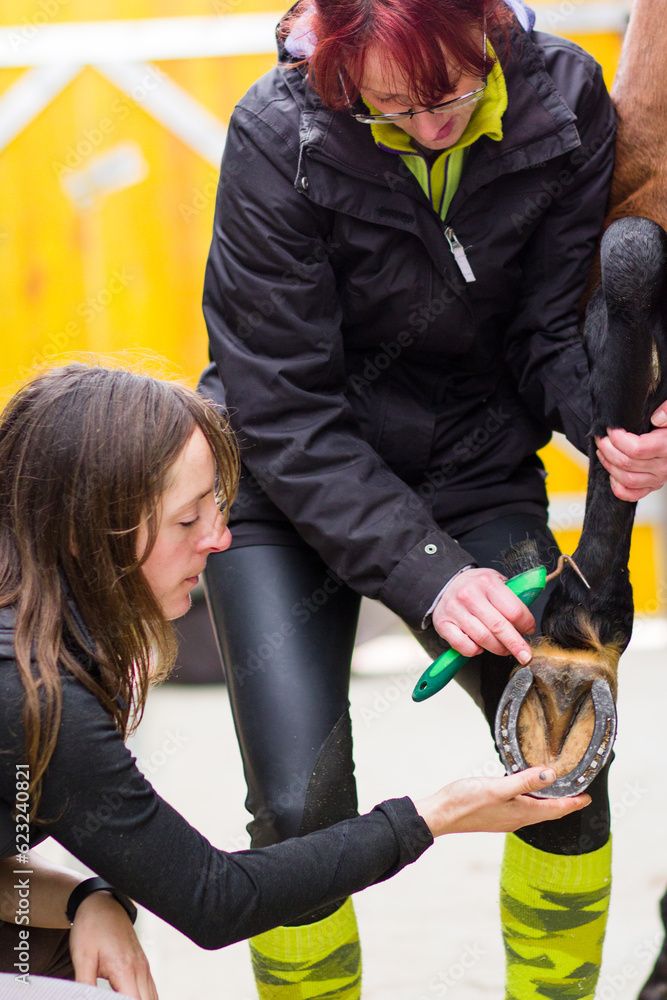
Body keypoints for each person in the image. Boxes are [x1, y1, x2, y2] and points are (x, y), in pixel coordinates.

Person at [199, 0, 667, 997]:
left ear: (489, 27)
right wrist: (430, 574)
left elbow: (547, 332)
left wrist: (614, 425)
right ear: (332, 64)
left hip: (469, 468)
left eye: (449, 92)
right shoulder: (276, 134)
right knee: (299, 803)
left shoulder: (564, 98)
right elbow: (282, 409)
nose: (425, 126)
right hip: (286, 490)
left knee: (563, 754)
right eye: (386, 107)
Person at [0, 363, 585, 998]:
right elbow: (214, 899)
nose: (220, 540)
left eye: (215, 509)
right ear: (84, 528)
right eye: (186, 520)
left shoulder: (35, 629)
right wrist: (434, 816)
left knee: (90, 938)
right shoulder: (33, 695)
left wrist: (87, 897)